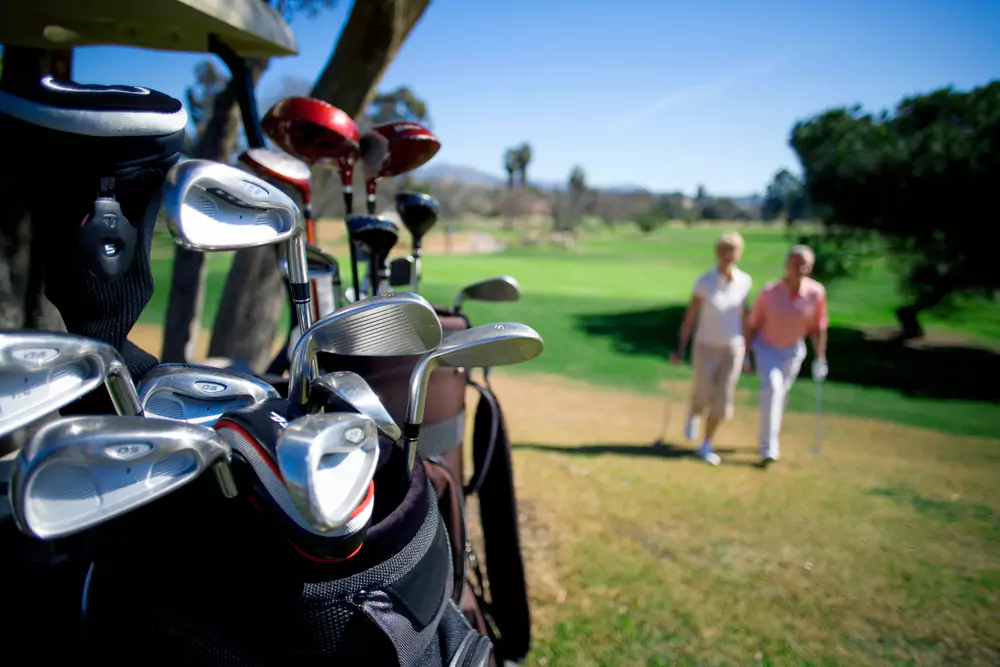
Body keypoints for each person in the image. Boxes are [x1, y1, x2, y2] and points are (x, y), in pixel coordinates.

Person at [672, 231, 753, 465]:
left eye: (732, 251)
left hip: (733, 348)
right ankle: (694, 413)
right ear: (717, 253)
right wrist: (680, 347)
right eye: (723, 251)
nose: (728, 255)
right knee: (703, 391)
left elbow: (744, 317)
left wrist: (748, 353)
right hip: (705, 346)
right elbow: (690, 316)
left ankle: (706, 443)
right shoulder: (705, 282)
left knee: (723, 397)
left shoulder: (744, 282)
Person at [745, 244, 829, 466]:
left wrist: (820, 358)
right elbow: (753, 324)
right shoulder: (769, 292)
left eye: (805, 264)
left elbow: (819, 327)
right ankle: (769, 446)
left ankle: (769, 435)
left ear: (810, 268)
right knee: (773, 389)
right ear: (787, 265)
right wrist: (747, 354)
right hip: (766, 348)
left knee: (780, 394)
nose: (800, 268)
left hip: (793, 351)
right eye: (796, 263)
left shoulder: (816, 293)